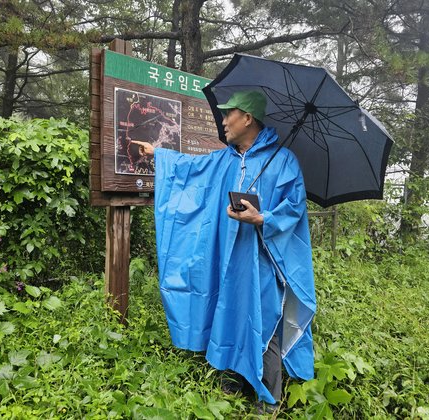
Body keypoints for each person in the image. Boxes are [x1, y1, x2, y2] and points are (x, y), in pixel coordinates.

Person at [132, 90, 316, 413]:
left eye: (229, 113)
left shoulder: (283, 161)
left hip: (262, 260)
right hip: (228, 257)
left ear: (247, 118)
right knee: (228, 310)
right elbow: (192, 169)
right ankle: (231, 384)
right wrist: (159, 154)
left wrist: (261, 218)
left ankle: (268, 399)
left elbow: (295, 208)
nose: (223, 120)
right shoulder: (226, 158)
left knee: (263, 318)